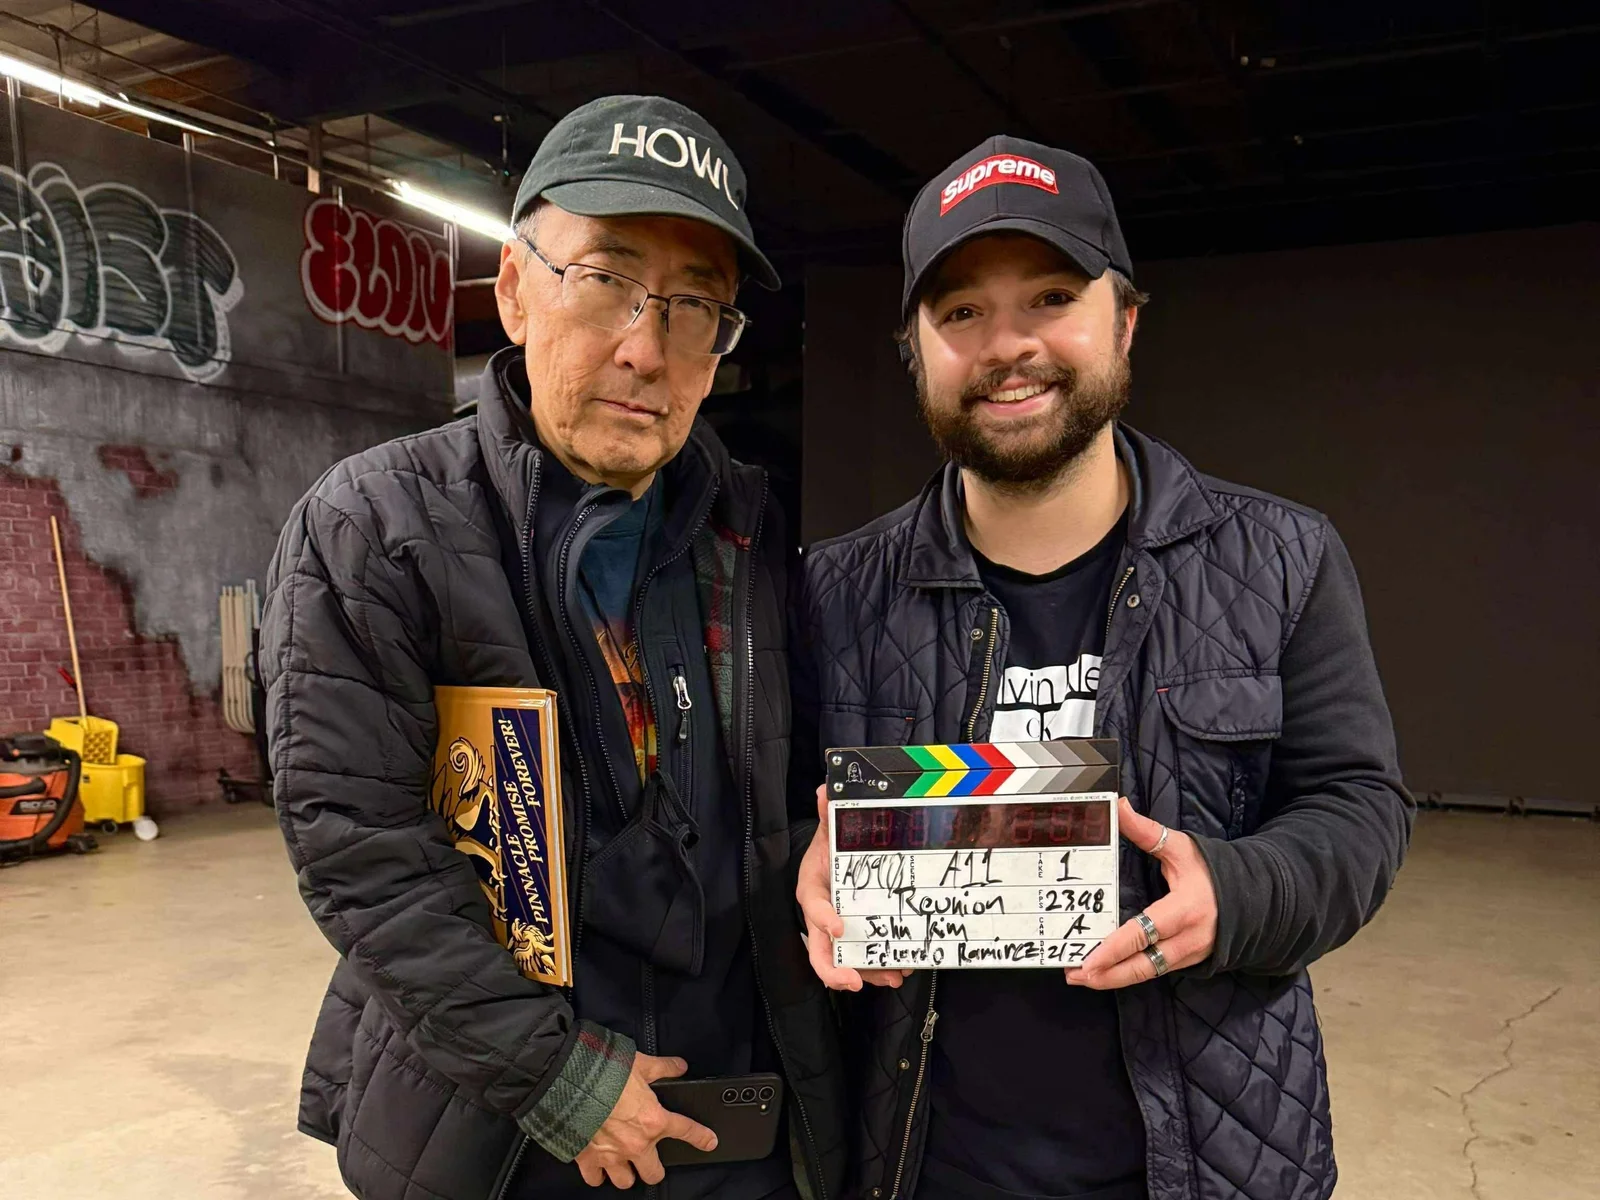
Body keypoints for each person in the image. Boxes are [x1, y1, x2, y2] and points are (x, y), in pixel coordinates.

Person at [792, 136, 1414, 1200]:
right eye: (958, 313)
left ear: (1123, 321)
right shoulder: (830, 594)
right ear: (915, 353)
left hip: (1208, 1164)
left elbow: (1360, 808)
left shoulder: (1282, 560)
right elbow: (775, 828)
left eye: (1048, 296)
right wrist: (800, 872)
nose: (1006, 346)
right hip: (920, 1167)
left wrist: (1240, 889)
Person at [262, 95, 845, 1200]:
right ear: (516, 290)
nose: (645, 346)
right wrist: (554, 1078)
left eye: (692, 307)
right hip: (500, 1122)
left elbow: (790, 774)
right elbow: (360, 848)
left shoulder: (748, 526)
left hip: (732, 1108)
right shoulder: (376, 525)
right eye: (608, 282)